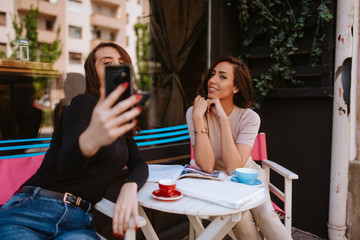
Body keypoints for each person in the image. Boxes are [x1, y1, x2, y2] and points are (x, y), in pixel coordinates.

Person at [0, 42, 149, 240]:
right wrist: (90, 141)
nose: (115, 67)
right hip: (34, 210)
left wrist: (129, 187)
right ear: (93, 73)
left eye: (121, 63)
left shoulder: (121, 123)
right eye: (107, 63)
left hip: (78, 222)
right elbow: (66, 163)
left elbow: (138, 163)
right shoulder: (84, 103)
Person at [186, 56, 292, 240]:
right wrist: (197, 118)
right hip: (216, 181)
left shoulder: (249, 118)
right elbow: (207, 166)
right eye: (213, 74)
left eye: (222, 76)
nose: (212, 80)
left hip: (248, 177)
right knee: (240, 218)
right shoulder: (195, 112)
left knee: (266, 215)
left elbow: (235, 168)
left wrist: (223, 121)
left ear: (236, 87)